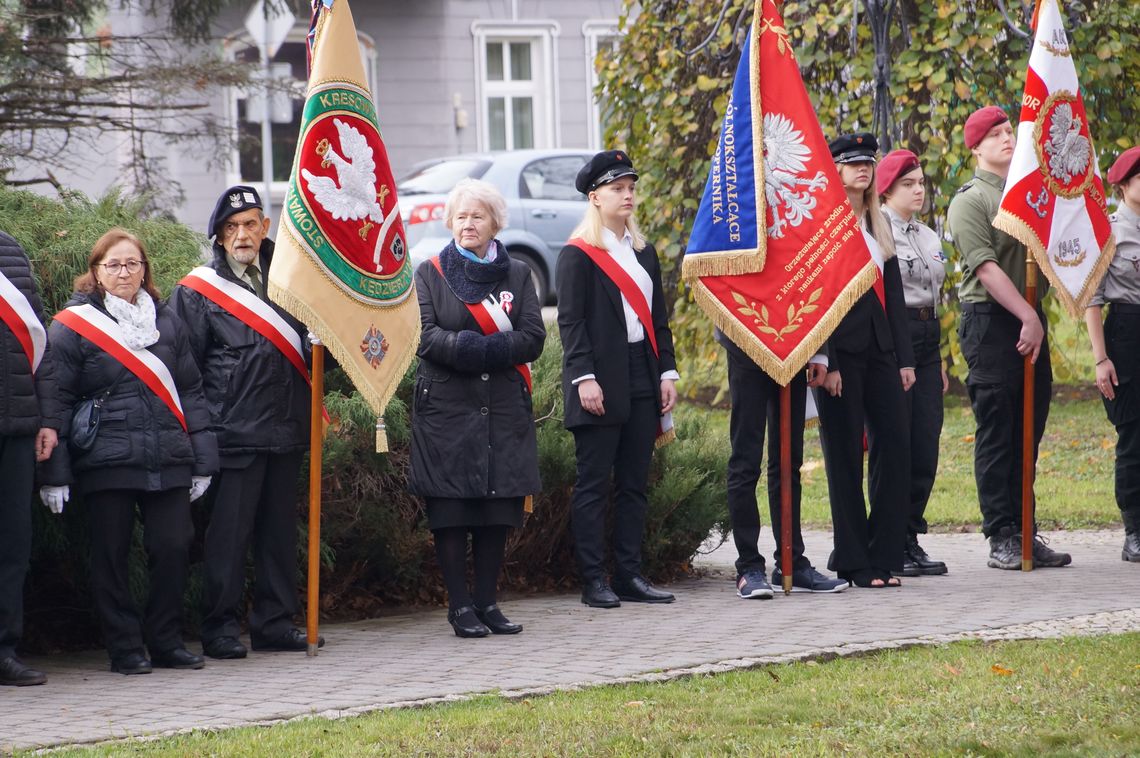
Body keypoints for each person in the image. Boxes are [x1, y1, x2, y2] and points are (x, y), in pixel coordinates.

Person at [39, 228, 218, 674]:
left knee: (173, 547)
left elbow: (191, 391)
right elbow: (55, 400)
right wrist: (55, 472)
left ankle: (166, 642)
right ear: (96, 272)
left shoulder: (167, 321)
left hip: (168, 455)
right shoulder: (73, 325)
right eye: (114, 265)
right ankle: (125, 648)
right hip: (108, 458)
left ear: (144, 270)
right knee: (111, 556)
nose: (124, 273)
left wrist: (203, 460)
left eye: (132, 264)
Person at [168, 185, 321, 658]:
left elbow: (318, 358)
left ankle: (275, 623)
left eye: (250, 224)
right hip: (231, 433)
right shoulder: (196, 292)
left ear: (265, 227)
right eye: (231, 227)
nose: (241, 235)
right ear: (218, 235)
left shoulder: (292, 280)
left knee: (279, 536)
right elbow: (184, 370)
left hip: (287, 425)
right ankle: (218, 628)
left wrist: (324, 342)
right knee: (228, 539)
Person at [409, 178, 545, 637]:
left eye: (478, 216)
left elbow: (533, 337)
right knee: (451, 510)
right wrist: (484, 348)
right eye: (461, 216)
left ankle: (487, 603)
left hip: (503, 407)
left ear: (495, 224)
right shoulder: (429, 273)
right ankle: (460, 607)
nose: (469, 224)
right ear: (450, 222)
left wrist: (477, 348)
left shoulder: (518, 274)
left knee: (496, 510)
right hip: (446, 411)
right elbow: (425, 337)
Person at [946, 105, 1071, 569]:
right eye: (994, 135)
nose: (1006, 139)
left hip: (1028, 318)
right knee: (998, 431)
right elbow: (985, 267)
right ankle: (1001, 534)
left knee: (1028, 430)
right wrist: (1027, 316)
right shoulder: (971, 200)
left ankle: (1024, 529)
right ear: (975, 148)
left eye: (1007, 131)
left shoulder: (1027, 195)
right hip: (992, 321)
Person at [557, 149, 679, 608]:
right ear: (595, 197)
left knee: (634, 483)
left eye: (630, 188)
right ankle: (594, 580)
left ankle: (629, 574)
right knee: (594, 484)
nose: (627, 195)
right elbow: (570, 323)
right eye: (617, 189)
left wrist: (666, 371)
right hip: (599, 376)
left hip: (642, 371)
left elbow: (659, 319)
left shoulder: (643, 253)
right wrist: (584, 378)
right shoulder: (579, 254)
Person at [815, 132, 913, 589]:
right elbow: (819, 299)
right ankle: (853, 560)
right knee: (844, 456)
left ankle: (884, 553)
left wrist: (904, 358)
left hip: (881, 350)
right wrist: (828, 360)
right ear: (834, 170)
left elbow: (893, 294)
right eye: (853, 163)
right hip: (841, 355)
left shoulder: (879, 223)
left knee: (894, 445)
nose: (863, 169)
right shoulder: (823, 225)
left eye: (868, 162)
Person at [717, 330, 848, 597]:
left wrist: (818, 352)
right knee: (746, 461)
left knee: (789, 462)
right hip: (746, 343)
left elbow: (811, 300)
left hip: (792, 347)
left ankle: (791, 563)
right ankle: (749, 567)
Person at [876, 149, 950, 577]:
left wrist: (938, 358)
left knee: (925, 441)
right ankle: (888, 537)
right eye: (908, 184)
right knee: (896, 442)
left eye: (921, 182)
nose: (919, 190)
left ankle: (910, 533)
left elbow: (936, 299)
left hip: (927, 338)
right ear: (886, 191)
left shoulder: (927, 235)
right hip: (894, 336)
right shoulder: (878, 230)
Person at [0, 231, 59, 686]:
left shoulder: (11, 251)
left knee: (12, 546)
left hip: (18, 427)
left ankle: (3, 650)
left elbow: (41, 346)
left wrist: (48, 420)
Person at [1085, 145, 1140, 563]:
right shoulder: (1108, 231)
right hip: (1126, 333)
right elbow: (1093, 298)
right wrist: (1101, 358)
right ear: (1122, 186)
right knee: (1134, 435)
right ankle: (1134, 530)